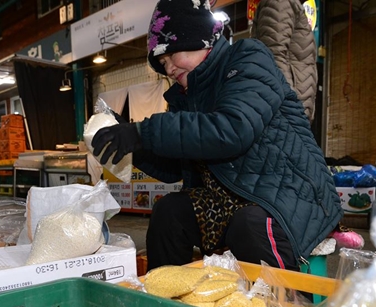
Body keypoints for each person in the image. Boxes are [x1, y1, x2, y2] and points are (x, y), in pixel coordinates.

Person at [92, 0, 342, 272]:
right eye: (162, 64)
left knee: (250, 226)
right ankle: (166, 302)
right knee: (169, 213)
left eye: (170, 56)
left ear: (196, 38)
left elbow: (233, 129)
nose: (169, 69)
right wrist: (133, 146)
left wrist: (144, 132)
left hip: (289, 192)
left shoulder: (248, 59)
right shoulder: (184, 97)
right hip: (231, 199)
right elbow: (174, 167)